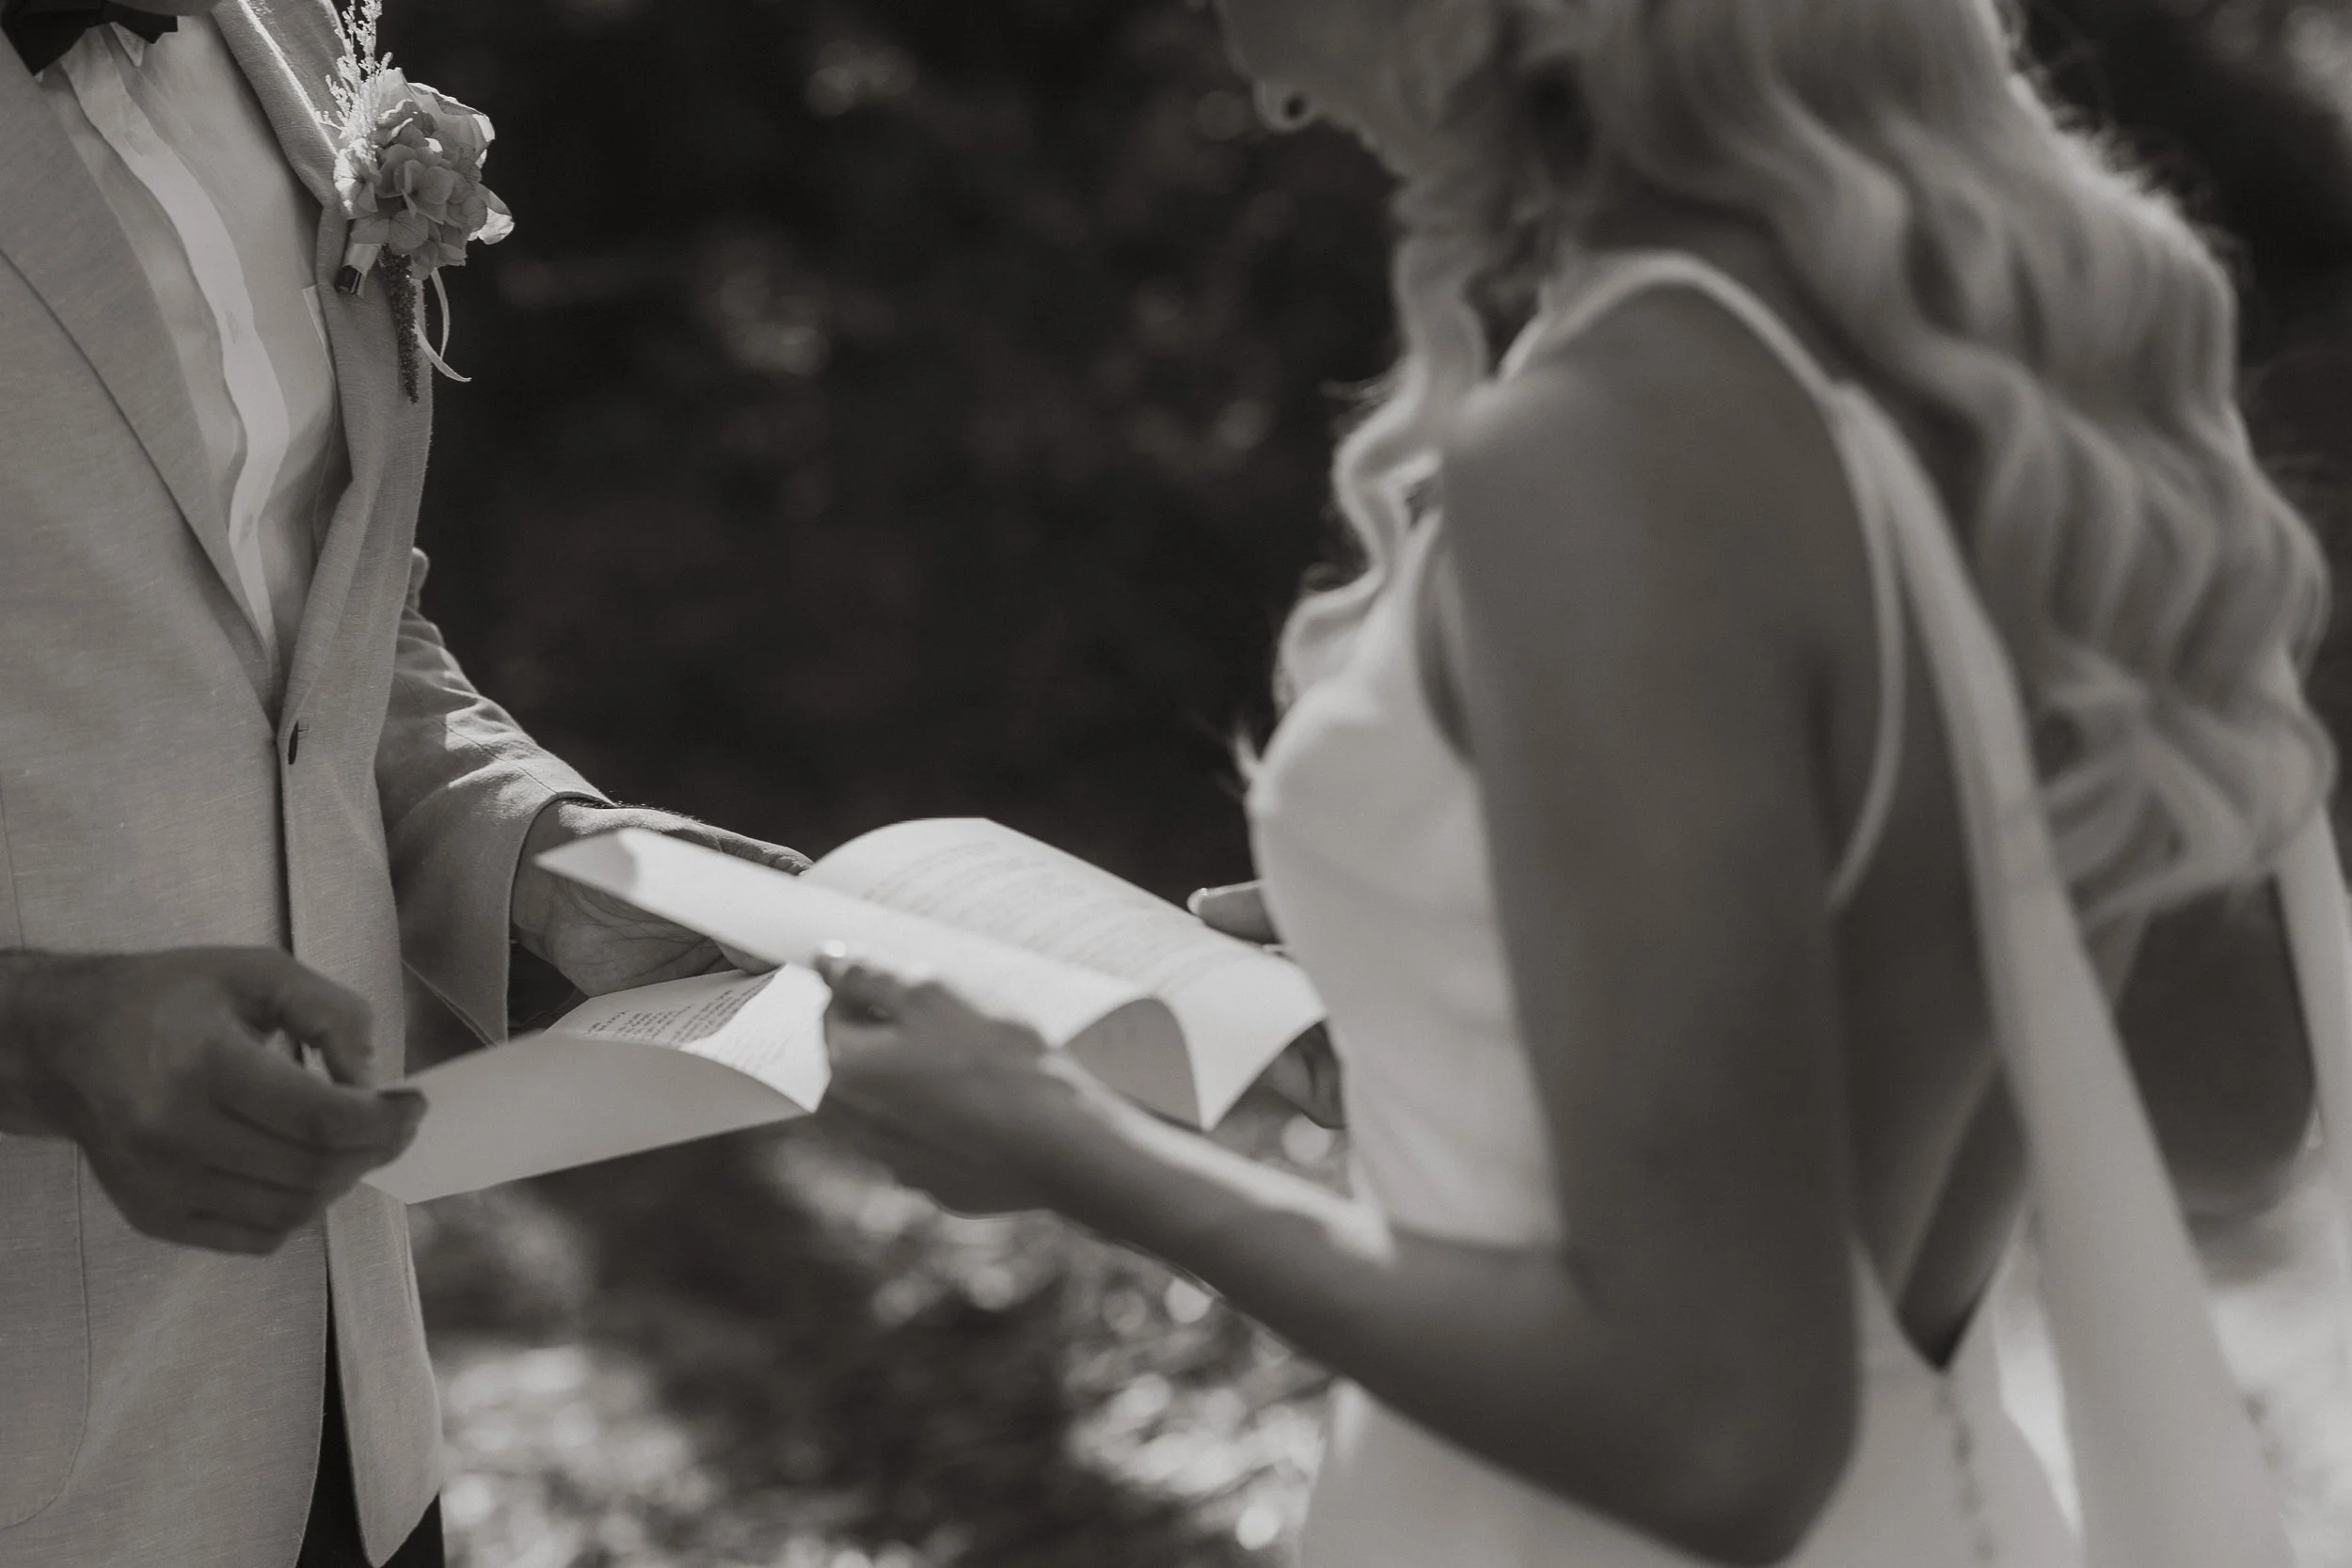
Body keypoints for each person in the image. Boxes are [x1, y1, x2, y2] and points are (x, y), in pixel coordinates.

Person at [805, 0, 2344, 1563]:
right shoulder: (2012, 364)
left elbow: (1714, 1432)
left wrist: (1067, 1144)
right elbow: (2223, 1114)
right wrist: (1490, 1000)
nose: (1266, 89)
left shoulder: (1609, 445)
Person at [0, 3, 803, 1565]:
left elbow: (311, 623)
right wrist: (37, 1040)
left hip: (348, 1399)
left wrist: (544, 854)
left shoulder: (291, 29)